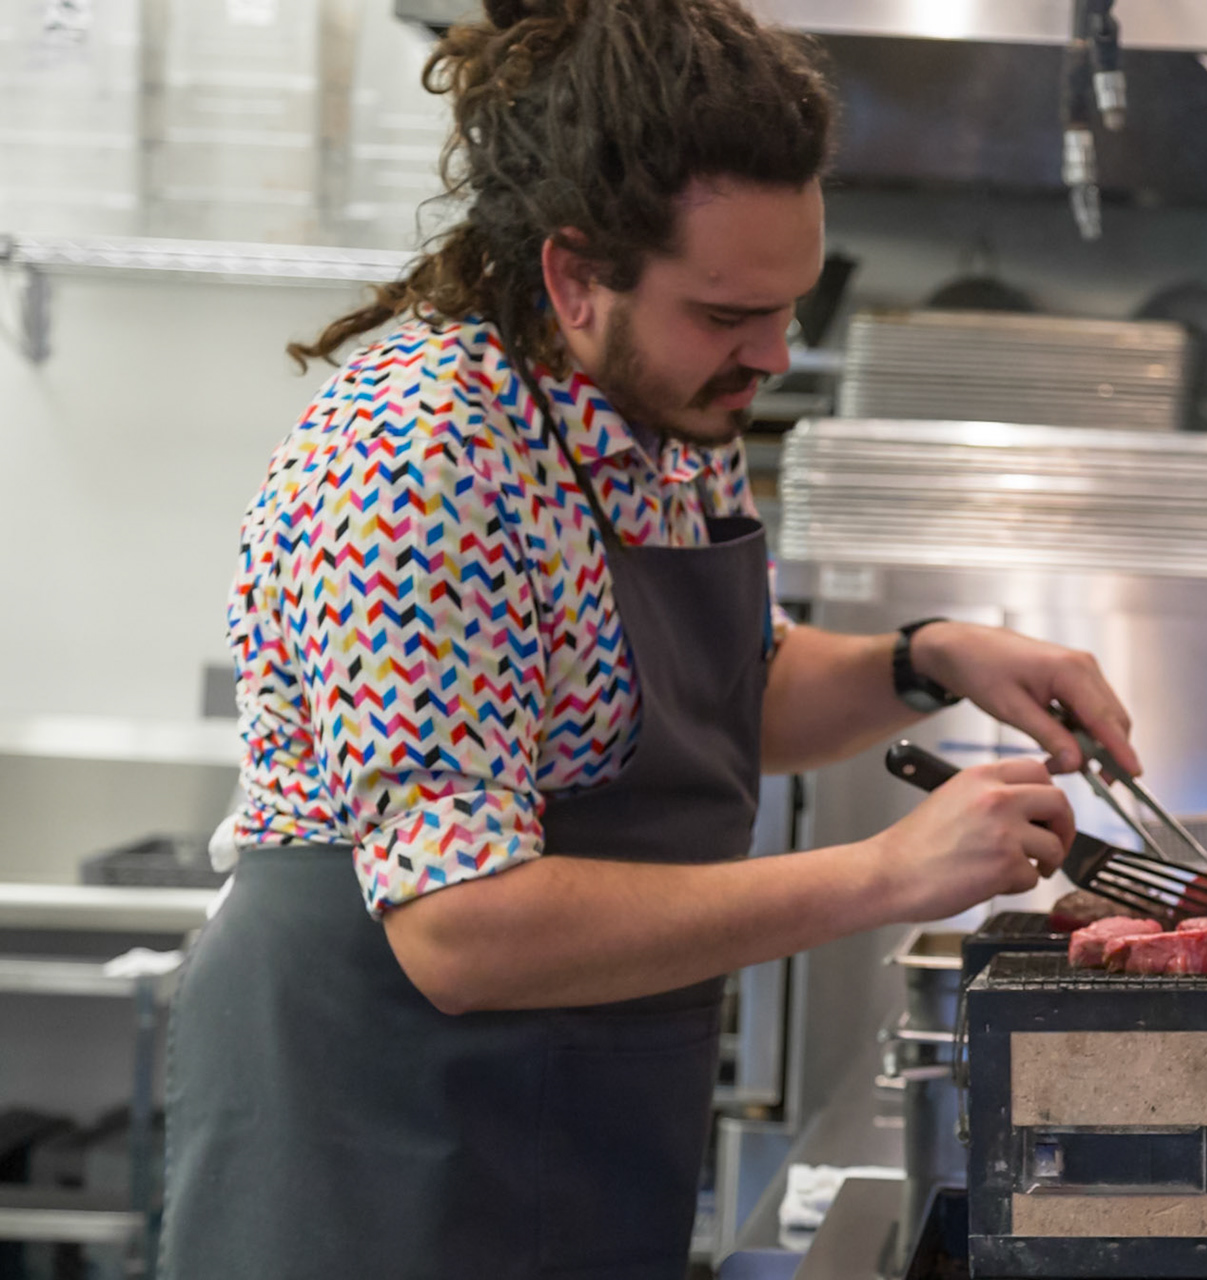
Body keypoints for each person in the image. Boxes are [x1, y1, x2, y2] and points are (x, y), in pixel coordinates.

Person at [158, 0, 1141, 1276]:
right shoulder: (420, 463)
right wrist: (890, 875)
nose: (774, 354)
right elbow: (460, 927)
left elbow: (722, 690)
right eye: (731, 312)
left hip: (575, 1119)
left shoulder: (656, 412)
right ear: (575, 277)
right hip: (374, 1144)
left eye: (792, 304)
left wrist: (929, 657)